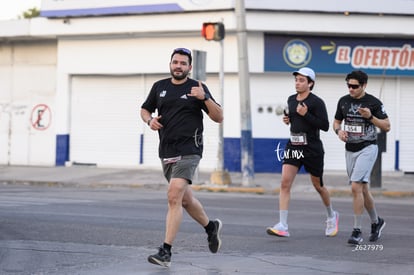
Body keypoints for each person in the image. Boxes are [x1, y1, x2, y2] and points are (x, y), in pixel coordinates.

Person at [141, 48, 224, 267]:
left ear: (189, 67)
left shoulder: (197, 87)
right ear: (170, 64)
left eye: (183, 63)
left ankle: (166, 252)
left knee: (173, 195)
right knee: (185, 200)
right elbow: (144, 109)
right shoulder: (159, 87)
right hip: (166, 150)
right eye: (175, 62)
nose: (178, 66)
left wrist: (204, 97)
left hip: (190, 149)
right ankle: (211, 227)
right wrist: (149, 121)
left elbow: (219, 117)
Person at [266, 67, 339, 238]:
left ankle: (331, 215)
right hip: (293, 145)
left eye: (301, 80)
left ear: (310, 83)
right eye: (296, 80)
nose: (297, 83)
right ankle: (283, 225)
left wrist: (306, 115)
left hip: (312, 149)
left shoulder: (316, 102)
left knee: (318, 186)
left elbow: (325, 126)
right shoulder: (291, 99)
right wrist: (288, 119)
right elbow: (294, 119)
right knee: (285, 183)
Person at [333, 70, 390, 245]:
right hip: (350, 149)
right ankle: (376, 222)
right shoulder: (343, 101)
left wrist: (371, 117)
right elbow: (336, 122)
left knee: (355, 186)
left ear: (364, 85)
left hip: (368, 147)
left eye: (354, 86)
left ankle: (357, 231)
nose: (351, 89)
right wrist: (339, 131)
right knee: (363, 189)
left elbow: (387, 126)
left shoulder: (373, 102)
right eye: (348, 85)